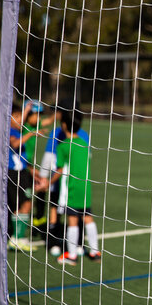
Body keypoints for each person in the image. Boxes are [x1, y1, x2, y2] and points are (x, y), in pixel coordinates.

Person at [47, 109, 100, 265]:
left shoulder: (63, 147)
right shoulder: (84, 144)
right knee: (88, 218)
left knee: (72, 220)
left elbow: (60, 170)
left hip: (71, 188)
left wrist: (47, 183)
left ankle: (71, 255)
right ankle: (95, 251)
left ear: (63, 125)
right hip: (86, 188)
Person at [39, 100, 90, 256]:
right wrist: (44, 177)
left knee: (76, 211)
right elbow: (49, 158)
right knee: (55, 206)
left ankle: (77, 242)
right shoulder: (57, 133)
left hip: (73, 182)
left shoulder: (82, 136)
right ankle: (53, 241)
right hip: (58, 180)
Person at [7, 103, 46, 251]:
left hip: (23, 173)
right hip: (14, 173)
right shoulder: (10, 131)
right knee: (20, 205)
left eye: (20, 117)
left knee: (27, 203)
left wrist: (28, 109)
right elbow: (15, 144)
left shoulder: (19, 129)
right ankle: (16, 238)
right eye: (16, 117)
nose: (19, 120)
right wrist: (30, 134)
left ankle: (20, 237)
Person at [22, 99, 55, 229]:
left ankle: (39, 217)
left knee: (41, 184)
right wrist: (31, 170)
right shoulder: (22, 128)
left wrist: (56, 111)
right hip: (22, 167)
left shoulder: (34, 125)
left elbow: (49, 121)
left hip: (28, 165)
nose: (39, 118)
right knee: (23, 197)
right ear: (29, 114)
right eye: (37, 114)